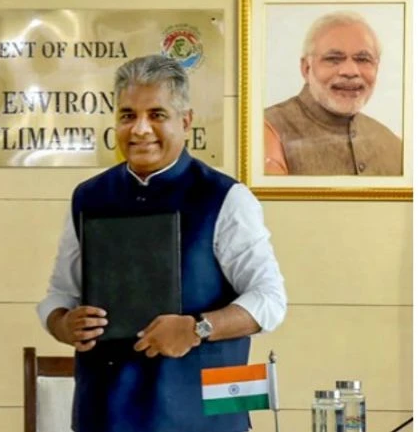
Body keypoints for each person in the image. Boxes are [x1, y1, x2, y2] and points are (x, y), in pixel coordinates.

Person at [38, 55, 287, 432]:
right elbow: (59, 296)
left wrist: (196, 328)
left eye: (156, 114)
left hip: (208, 419)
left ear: (185, 122)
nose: (140, 130)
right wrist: (63, 324)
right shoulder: (88, 198)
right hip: (106, 414)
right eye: (127, 115)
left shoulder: (225, 197)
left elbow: (270, 301)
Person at [264, 11, 402, 176]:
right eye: (333, 59)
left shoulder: (393, 144)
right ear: (306, 68)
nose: (350, 71)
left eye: (363, 59)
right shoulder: (266, 130)